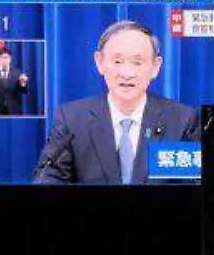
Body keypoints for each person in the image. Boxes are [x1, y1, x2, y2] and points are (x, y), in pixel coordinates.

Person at [33, 20, 200, 185]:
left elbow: (191, 190)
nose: (127, 73)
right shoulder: (72, 120)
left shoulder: (181, 121)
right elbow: (49, 179)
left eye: (137, 62)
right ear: (100, 62)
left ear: (155, 66)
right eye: (118, 61)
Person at [0, 47, 29, 116]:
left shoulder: (17, 72)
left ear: (10, 59)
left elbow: (24, 91)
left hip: (13, 109)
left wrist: (23, 83)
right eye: (1, 58)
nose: (4, 60)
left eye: (6, 57)